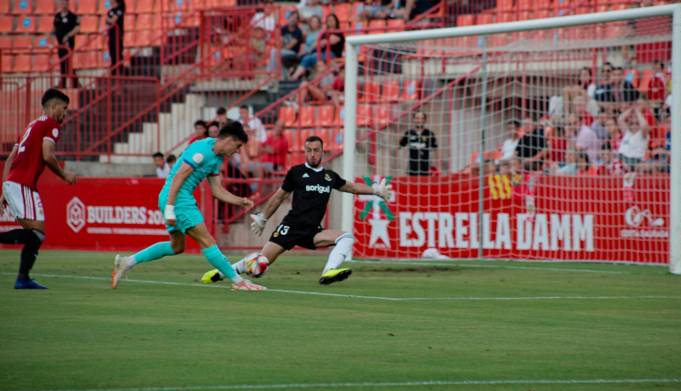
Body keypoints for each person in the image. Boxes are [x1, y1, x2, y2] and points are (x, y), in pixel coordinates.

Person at [200, 135, 393, 286]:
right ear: (305, 151)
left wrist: (375, 190)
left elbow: (351, 188)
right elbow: (279, 196)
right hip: (291, 228)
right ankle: (219, 273)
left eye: (316, 150)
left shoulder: (329, 176)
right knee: (260, 263)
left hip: (312, 231)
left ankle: (328, 272)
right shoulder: (297, 172)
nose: (312, 154)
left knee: (346, 237)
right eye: (308, 150)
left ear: (322, 152)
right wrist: (263, 218)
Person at [111, 122, 264, 292]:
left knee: (177, 247)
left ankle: (127, 262)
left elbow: (217, 190)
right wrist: (170, 208)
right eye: (238, 146)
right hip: (178, 198)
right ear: (229, 140)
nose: (237, 151)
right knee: (207, 241)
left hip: (174, 198)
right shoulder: (202, 149)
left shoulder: (217, 158)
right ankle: (238, 281)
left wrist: (240, 201)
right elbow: (179, 176)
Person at [0, 89, 77, 289]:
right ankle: (23, 278)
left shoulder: (31, 125)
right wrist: (64, 175)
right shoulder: (51, 125)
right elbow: (48, 156)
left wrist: (4, 190)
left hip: (14, 183)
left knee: (33, 235)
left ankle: (23, 278)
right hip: (23, 184)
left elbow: (9, 159)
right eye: (64, 108)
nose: (65, 113)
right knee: (37, 234)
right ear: (53, 107)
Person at [290, 13, 344, 80]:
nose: (330, 22)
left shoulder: (339, 32)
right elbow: (317, 44)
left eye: (332, 20)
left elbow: (332, 40)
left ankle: (307, 77)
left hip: (333, 54)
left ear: (336, 22)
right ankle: (294, 77)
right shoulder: (324, 33)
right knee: (306, 58)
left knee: (315, 56)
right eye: (329, 20)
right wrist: (323, 42)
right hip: (322, 53)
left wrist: (323, 42)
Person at [52, 0, 80, 88]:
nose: (63, 4)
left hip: (68, 45)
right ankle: (65, 83)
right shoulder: (57, 16)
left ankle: (72, 82)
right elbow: (54, 29)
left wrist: (68, 36)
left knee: (68, 63)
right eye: (62, 2)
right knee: (62, 64)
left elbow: (77, 28)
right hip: (60, 45)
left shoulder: (72, 16)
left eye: (65, 2)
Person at [399, 111, 437, 176]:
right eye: (417, 118)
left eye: (422, 118)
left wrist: (437, 166)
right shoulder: (409, 133)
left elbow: (435, 149)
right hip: (412, 167)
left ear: (425, 120)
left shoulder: (429, 134)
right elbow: (400, 145)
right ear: (413, 119)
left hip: (426, 167)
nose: (419, 120)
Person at [617, 106, 650, 171]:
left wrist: (638, 112)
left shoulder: (642, 134)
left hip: (634, 161)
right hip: (621, 159)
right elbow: (620, 119)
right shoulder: (627, 132)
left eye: (637, 123)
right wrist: (631, 109)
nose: (634, 126)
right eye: (632, 123)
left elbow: (644, 126)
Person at [106, 0, 125, 74]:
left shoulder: (120, 8)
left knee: (118, 52)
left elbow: (113, 20)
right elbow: (108, 22)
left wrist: (109, 20)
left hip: (118, 34)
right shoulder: (110, 11)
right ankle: (113, 71)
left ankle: (120, 72)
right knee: (112, 52)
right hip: (111, 35)